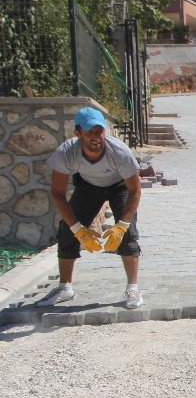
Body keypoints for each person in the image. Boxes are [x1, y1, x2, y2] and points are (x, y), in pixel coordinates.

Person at [37, 107, 144, 309]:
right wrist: (79, 230)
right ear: (78, 134)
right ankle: (64, 287)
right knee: (67, 231)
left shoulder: (120, 152)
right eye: (89, 133)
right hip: (88, 186)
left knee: (128, 234)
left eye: (99, 131)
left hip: (119, 185)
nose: (96, 138)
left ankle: (133, 287)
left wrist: (121, 225)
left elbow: (135, 191)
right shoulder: (66, 153)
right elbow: (58, 194)